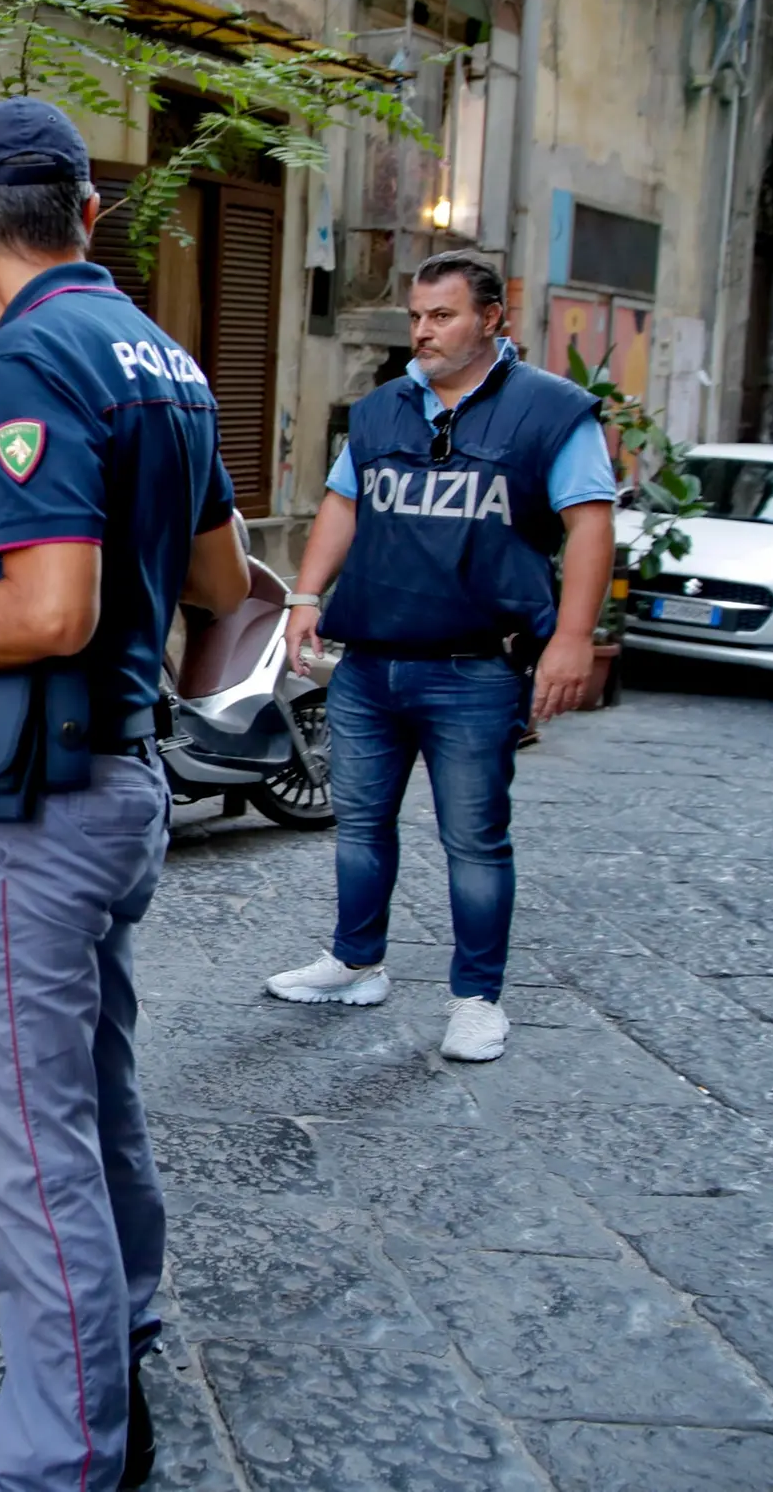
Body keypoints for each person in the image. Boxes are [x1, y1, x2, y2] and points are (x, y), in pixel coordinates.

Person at [0, 98, 251, 1491]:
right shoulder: (168, 356)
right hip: (126, 780)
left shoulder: (30, 355)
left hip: (42, 803)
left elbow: (51, 605)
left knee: (27, 1140)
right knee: (96, 1085)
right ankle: (113, 1349)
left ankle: (67, 1450)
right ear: (88, 212)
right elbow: (223, 584)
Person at [265, 251, 615, 1064]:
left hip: (475, 668)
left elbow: (590, 524)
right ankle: (356, 963)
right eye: (418, 315)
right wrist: (306, 596)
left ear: (492, 318)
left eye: (443, 315)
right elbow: (344, 502)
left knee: (475, 841)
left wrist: (569, 638)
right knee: (358, 824)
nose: (423, 329)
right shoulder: (384, 408)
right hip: (370, 662)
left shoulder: (552, 413)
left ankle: (477, 999)